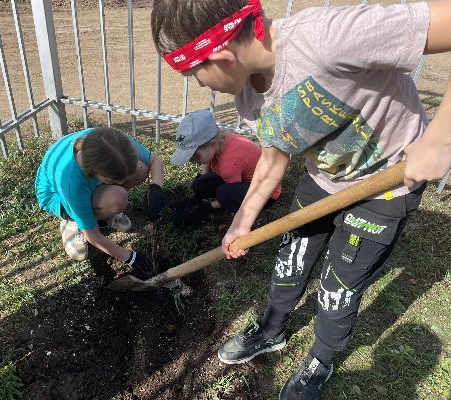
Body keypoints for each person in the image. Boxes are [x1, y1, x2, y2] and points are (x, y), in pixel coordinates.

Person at [151, 0, 451, 398]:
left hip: (384, 188)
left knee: (337, 288)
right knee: (290, 262)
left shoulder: (330, 38)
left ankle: (320, 360)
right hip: (323, 180)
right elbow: (275, 158)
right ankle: (272, 329)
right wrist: (242, 221)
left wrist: (439, 138)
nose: (200, 86)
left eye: (196, 77)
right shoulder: (248, 96)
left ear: (221, 59)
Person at [35, 127, 167, 279]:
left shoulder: (114, 143)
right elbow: (94, 237)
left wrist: (156, 188)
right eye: (114, 181)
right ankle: (73, 220)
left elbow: (155, 161)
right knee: (118, 198)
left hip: (89, 180)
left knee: (141, 169)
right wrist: (132, 258)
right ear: (96, 173)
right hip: (57, 197)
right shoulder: (71, 183)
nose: (122, 183)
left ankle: (104, 208)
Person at [171, 109, 282, 225]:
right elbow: (207, 166)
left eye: (196, 156)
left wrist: (208, 207)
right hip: (244, 179)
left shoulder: (229, 164)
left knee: (224, 194)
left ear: (213, 144)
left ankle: (255, 214)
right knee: (200, 184)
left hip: (267, 193)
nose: (194, 162)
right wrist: (204, 183)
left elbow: (230, 193)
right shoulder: (222, 141)